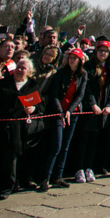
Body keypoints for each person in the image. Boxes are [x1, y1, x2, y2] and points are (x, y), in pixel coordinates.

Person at [0, 55, 40, 201]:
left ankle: (6, 188)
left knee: (10, 160)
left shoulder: (32, 85)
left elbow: (39, 105)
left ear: (29, 72)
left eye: (23, 68)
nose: (20, 70)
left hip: (17, 128)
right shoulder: (3, 84)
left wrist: (33, 109)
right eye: (18, 67)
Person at [41, 49, 87, 189]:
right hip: (58, 112)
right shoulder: (60, 73)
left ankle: (58, 176)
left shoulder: (82, 75)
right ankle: (45, 178)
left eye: (75, 58)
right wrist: (61, 112)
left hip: (72, 113)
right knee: (56, 145)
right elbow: (54, 94)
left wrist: (70, 111)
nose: (72, 60)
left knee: (65, 146)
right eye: (70, 57)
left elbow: (80, 95)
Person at [75, 38, 110, 183]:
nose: (102, 53)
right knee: (83, 140)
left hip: (102, 110)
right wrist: (92, 104)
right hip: (89, 109)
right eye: (100, 51)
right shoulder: (88, 67)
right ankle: (79, 168)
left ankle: (89, 167)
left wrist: (109, 105)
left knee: (94, 140)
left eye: (105, 51)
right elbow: (86, 89)